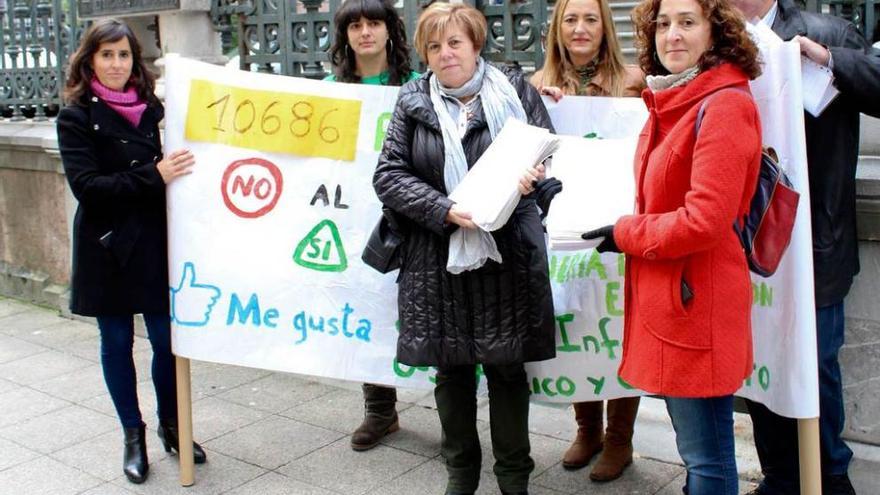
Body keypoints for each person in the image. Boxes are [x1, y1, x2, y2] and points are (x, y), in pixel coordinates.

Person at [373, 4, 561, 494]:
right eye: (434, 46)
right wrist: (444, 209)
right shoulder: (412, 97)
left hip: (506, 256)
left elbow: (546, 160)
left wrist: (535, 178)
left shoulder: (516, 92)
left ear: (476, 44)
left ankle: (514, 478)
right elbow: (389, 174)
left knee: (506, 370)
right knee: (451, 373)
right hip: (439, 256)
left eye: (454, 42)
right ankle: (461, 475)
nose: (444, 54)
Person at [581, 0, 763, 492]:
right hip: (676, 298)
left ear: (716, 32)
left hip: (696, 303)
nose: (672, 35)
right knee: (696, 452)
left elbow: (704, 220)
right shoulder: (674, 98)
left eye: (687, 22)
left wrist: (625, 233)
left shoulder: (723, 104)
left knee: (707, 459)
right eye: (663, 24)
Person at [725, 0, 880, 493]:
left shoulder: (826, 30)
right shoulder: (712, 37)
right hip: (744, 239)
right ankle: (779, 476)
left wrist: (829, 57)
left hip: (816, 242)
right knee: (759, 361)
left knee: (817, 363)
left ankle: (831, 474)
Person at [56, 18, 206, 484]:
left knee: (166, 340)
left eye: (124, 55)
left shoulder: (157, 109)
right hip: (107, 246)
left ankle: (172, 425)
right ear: (90, 61)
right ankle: (133, 435)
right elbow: (88, 187)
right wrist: (153, 175)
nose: (117, 64)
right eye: (107, 55)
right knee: (118, 343)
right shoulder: (76, 116)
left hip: (154, 242)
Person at [529, 0, 645, 482]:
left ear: (605, 28)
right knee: (575, 321)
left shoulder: (633, 81)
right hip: (562, 228)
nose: (580, 28)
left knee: (616, 327)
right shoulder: (536, 85)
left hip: (617, 223)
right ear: (558, 27)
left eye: (590, 18)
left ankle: (620, 440)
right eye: (571, 19)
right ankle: (587, 429)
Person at [325, 0, 420, 453]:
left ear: (389, 30)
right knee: (365, 305)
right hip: (352, 218)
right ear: (344, 34)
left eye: (374, 23)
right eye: (355, 25)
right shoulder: (330, 90)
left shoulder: (416, 86)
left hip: (409, 214)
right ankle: (380, 410)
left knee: (420, 307)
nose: (365, 32)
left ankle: (451, 411)